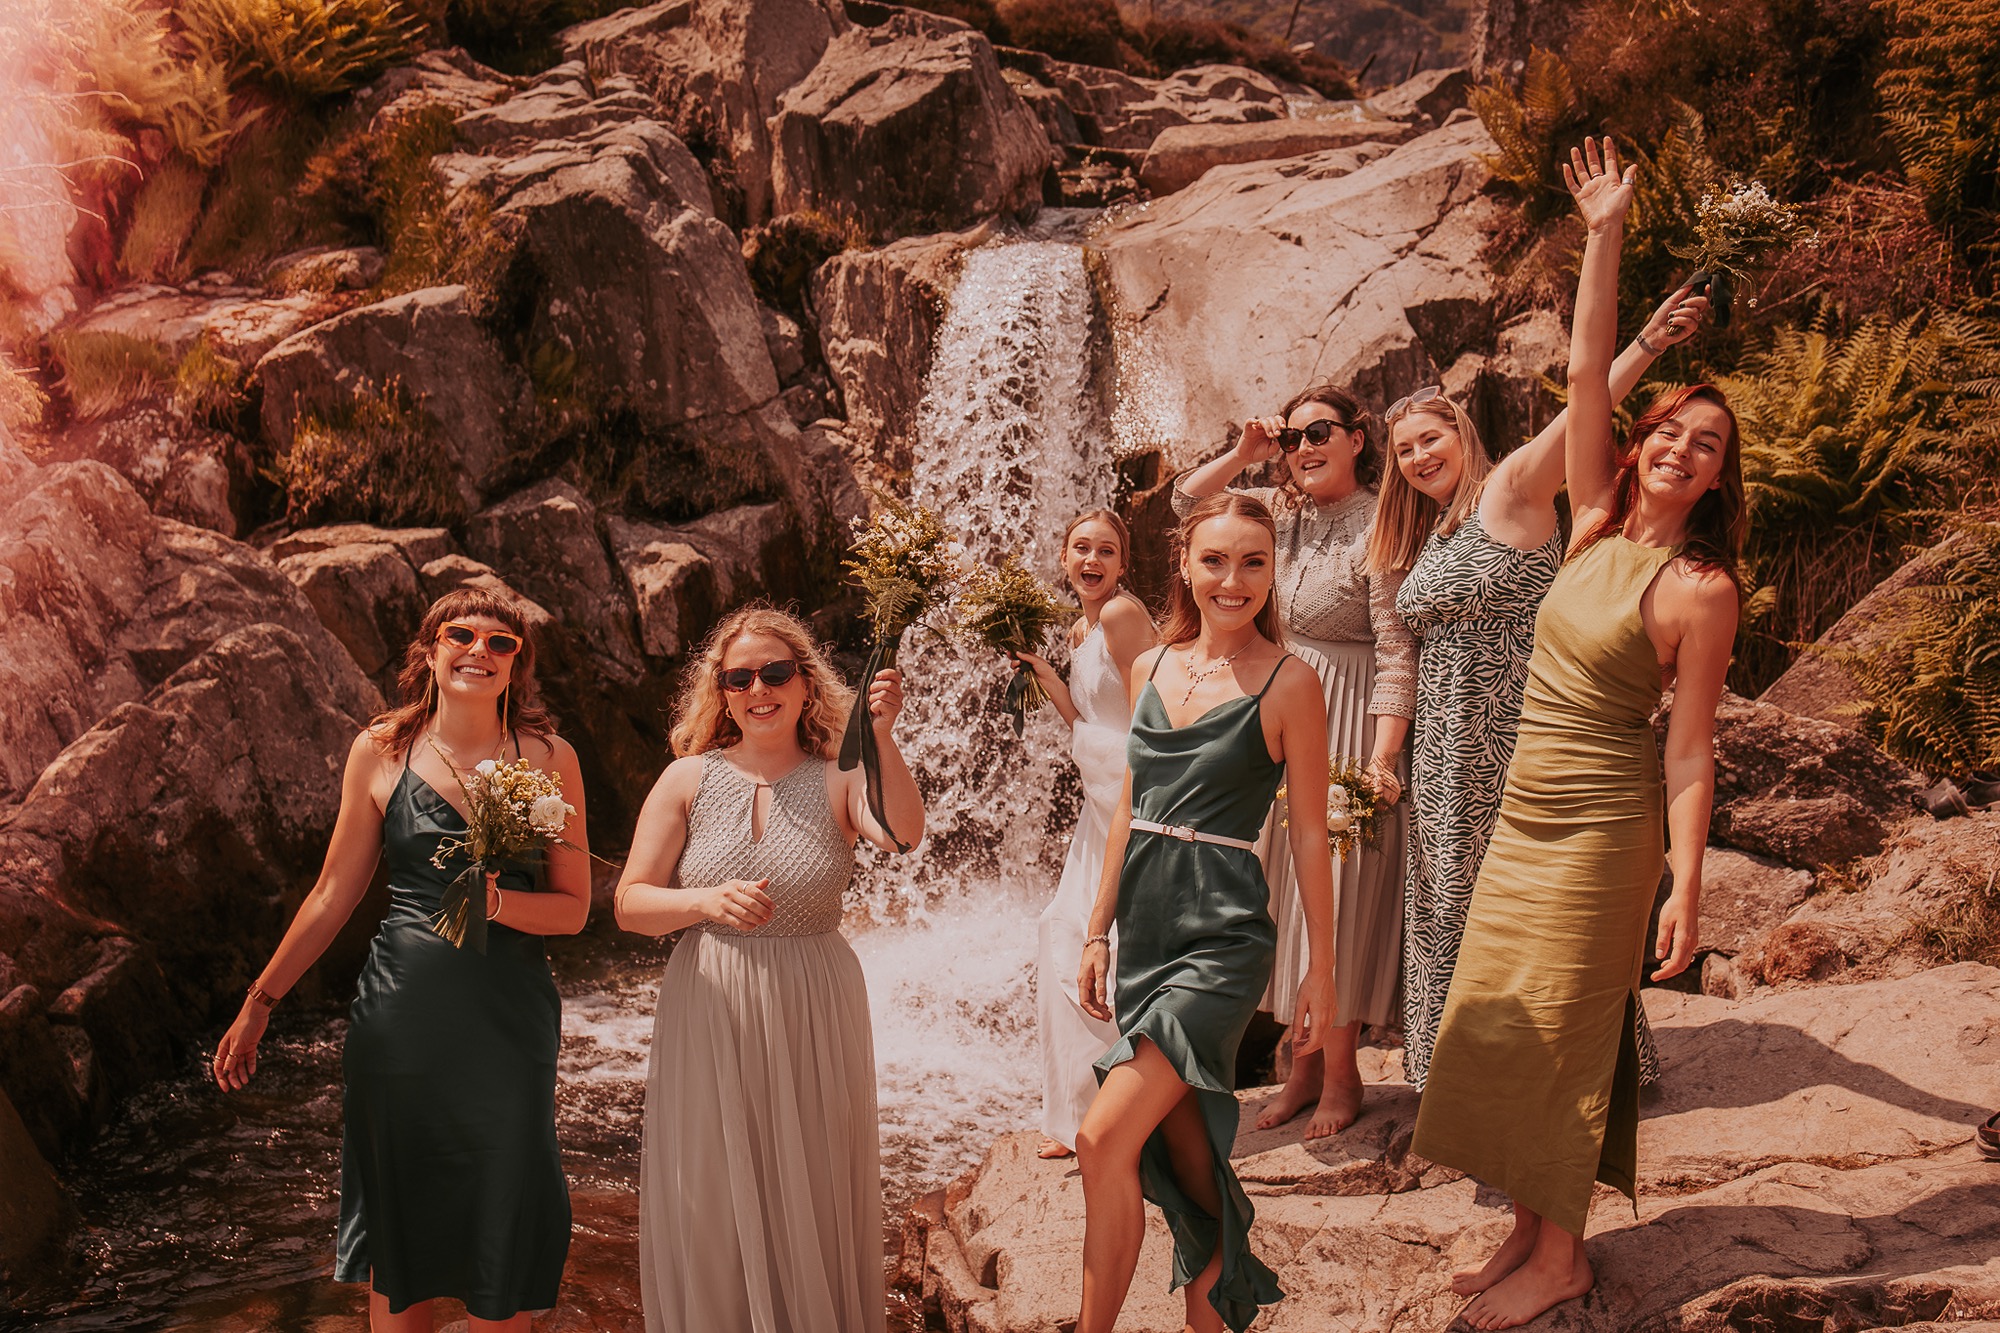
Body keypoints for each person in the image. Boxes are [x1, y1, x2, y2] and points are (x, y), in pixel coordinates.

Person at [1411, 139, 1744, 1330]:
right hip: (1523, 811)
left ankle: (1563, 1256)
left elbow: (1690, 750)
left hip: (1605, 828)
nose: (1677, 448)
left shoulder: (1699, 588)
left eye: (1704, 446)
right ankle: (1524, 1225)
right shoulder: (1594, 513)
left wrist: (1684, 883)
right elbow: (1592, 368)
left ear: (1715, 478)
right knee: (1500, 1018)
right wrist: (1603, 228)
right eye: (1671, 431)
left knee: (1560, 1029)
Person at [212, 589, 591, 1331]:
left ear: (518, 664)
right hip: (400, 1021)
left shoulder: (549, 757)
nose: (480, 650)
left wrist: (499, 905)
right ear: (431, 650)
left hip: (508, 1028)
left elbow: (575, 907)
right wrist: (260, 1001)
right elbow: (332, 894)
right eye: (462, 634)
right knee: (402, 1220)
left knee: (506, 1206)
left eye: (501, 642)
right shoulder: (381, 750)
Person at [1375, 282, 1709, 1091]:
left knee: (1521, 914)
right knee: (1447, 912)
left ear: (1463, 433)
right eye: (1405, 451)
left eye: (1432, 438)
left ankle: (1558, 1075)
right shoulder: (1437, 528)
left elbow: (1583, 406)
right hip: (1443, 756)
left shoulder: (1513, 490)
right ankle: (1459, 1079)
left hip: (1510, 741)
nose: (1420, 457)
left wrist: (1651, 344)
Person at [614, 606, 923, 1333]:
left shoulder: (841, 776)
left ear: (805, 684)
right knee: (712, 1191)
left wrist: (881, 736)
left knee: (809, 1184)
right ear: (721, 691)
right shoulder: (686, 778)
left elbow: (903, 834)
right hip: (707, 1008)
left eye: (776, 672)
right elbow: (630, 902)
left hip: (813, 1005)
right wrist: (704, 901)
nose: (760, 688)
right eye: (741, 676)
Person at [1073, 492, 1336, 1333]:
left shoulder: (1293, 683)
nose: (1234, 579)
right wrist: (1095, 928)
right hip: (1144, 928)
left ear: (1273, 570)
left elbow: (1308, 839)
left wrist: (1321, 971)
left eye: (1254, 561)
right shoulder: (1148, 666)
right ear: (1184, 564)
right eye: (1215, 560)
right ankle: (1215, 1313)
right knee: (1186, 1157)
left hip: (1221, 937)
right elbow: (1128, 807)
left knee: (1100, 1137)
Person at [1173, 386, 1415, 1139]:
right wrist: (1246, 455)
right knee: (1282, 898)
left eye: (1320, 433)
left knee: (1334, 904)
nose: (1304, 448)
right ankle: (1303, 1066)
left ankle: (1344, 1077)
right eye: (1293, 437)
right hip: (1277, 718)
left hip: (1347, 720)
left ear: (1357, 438)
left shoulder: (1381, 520)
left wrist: (1380, 756)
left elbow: (1398, 650)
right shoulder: (1288, 516)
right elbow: (1188, 502)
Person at [1016, 510, 1158, 1159]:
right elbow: (1094, 713)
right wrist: (1050, 682)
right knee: (1063, 935)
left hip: (1127, 795)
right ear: (1065, 557)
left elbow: (1153, 714)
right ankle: (1080, 1114)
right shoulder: (1082, 627)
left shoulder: (1123, 615)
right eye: (1081, 547)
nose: (1093, 558)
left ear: (1123, 564)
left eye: (1106, 549)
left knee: (1107, 941)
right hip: (1098, 803)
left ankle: (1122, 1111)